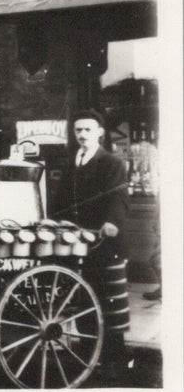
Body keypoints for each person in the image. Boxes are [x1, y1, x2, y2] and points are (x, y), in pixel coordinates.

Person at [53, 110, 132, 373]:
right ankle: (88, 354)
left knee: (109, 301)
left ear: (100, 132)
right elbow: (60, 199)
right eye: (78, 130)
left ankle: (116, 358)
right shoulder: (71, 163)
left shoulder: (112, 163)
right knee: (83, 300)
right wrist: (55, 221)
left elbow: (119, 197)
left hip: (104, 242)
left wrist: (112, 222)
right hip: (77, 242)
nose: (83, 134)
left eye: (88, 129)